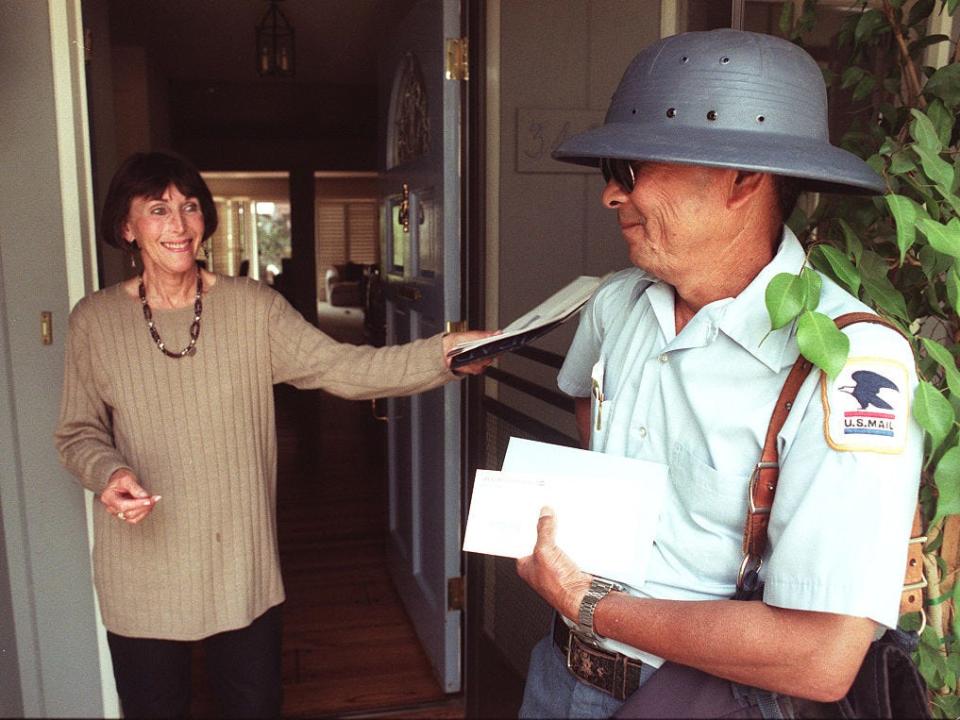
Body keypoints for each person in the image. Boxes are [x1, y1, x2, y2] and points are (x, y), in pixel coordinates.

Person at [515, 29, 923, 718]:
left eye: (631, 166)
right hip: (557, 676)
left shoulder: (848, 364)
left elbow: (821, 657)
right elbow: (592, 408)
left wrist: (588, 601)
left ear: (741, 178)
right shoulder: (618, 303)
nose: (612, 195)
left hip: (697, 700)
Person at [54, 151, 492, 718]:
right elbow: (76, 431)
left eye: (189, 207)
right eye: (158, 209)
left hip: (240, 564)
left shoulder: (252, 309)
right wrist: (108, 473)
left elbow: (343, 368)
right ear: (126, 227)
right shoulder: (94, 321)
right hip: (141, 575)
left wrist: (443, 355)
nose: (180, 225)